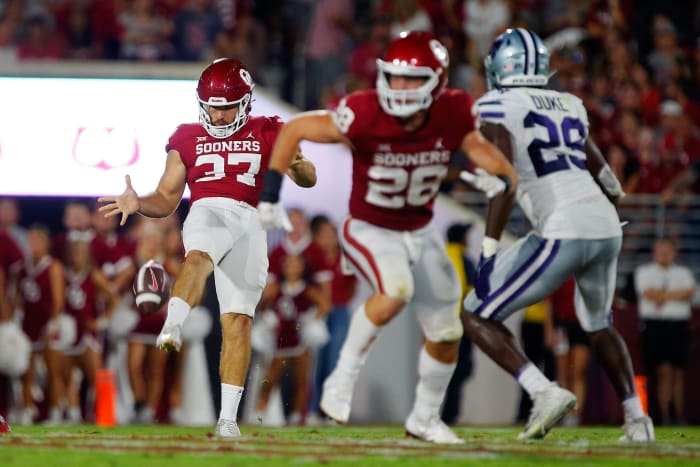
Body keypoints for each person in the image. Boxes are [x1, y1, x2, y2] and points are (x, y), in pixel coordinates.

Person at [257, 31, 518, 444]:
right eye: (394, 77)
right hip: (370, 226)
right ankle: (340, 380)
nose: (400, 87)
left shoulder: (453, 109)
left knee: (448, 332)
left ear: (437, 81)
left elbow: (481, 150)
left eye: (412, 79)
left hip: (420, 229)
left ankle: (425, 418)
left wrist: (498, 174)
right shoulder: (362, 111)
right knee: (396, 290)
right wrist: (271, 192)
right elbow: (295, 129)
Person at [98, 57, 317, 437]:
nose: (217, 115)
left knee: (238, 322)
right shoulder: (186, 136)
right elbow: (167, 197)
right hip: (208, 208)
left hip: (250, 221)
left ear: (246, 102)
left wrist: (296, 165)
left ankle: (228, 420)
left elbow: (309, 178)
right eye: (211, 106)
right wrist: (139, 204)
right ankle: (172, 325)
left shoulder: (270, 129)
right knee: (198, 255)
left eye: (226, 106)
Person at [459, 28, 655, 442]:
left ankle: (542, 391)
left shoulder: (495, 105)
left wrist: (489, 252)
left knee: (476, 312)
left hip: (564, 227)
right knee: (598, 324)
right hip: (604, 223)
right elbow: (610, 181)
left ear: (500, 66)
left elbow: (505, 181)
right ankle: (638, 421)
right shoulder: (569, 103)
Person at [253, 254, 331, 425]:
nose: (293, 267)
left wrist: (311, 319)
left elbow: (325, 305)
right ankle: (259, 413)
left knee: (301, 380)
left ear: (303, 268)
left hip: (300, 342)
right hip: (280, 341)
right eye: (289, 263)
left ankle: (297, 416)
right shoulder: (275, 288)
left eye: (297, 264)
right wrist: (268, 317)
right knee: (270, 379)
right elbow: (262, 306)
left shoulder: (308, 289)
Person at [634, 238, 695, 425]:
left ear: (674, 252)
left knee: (678, 372)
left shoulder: (684, 272)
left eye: (667, 251)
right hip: (656, 326)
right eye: (660, 251)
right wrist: (676, 294)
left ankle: (677, 414)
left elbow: (689, 293)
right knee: (664, 370)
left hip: (678, 325)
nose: (663, 255)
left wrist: (662, 296)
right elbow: (647, 293)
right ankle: (666, 414)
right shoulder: (644, 271)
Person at [441, 223, 475, 425]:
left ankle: (431, 413)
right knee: (460, 370)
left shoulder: (440, 258)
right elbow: (471, 296)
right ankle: (450, 414)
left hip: (437, 322)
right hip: (459, 323)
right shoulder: (464, 261)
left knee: (440, 369)